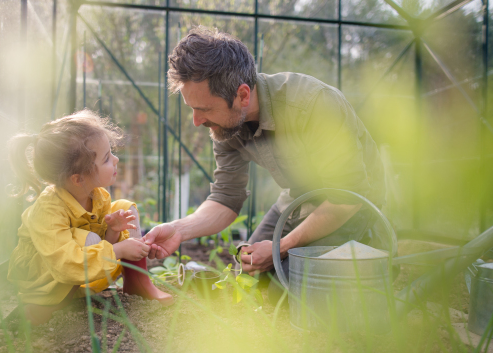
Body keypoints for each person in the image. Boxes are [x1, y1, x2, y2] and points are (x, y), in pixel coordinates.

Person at [144, 27, 386, 303]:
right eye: (192, 109)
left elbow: (346, 198)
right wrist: (178, 229)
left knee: (283, 292)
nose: (197, 121)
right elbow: (225, 198)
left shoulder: (314, 105)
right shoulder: (226, 124)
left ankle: (373, 254)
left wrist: (278, 248)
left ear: (243, 96)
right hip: (299, 197)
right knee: (248, 276)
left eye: (205, 109)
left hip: (352, 203)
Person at [7, 110, 173, 326]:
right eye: (106, 158)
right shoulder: (47, 211)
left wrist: (113, 230)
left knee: (125, 209)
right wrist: (119, 251)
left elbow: (103, 242)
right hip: (45, 280)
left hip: (82, 271)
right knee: (85, 239)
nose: (116, 159)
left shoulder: (96, 193)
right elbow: (65, 263)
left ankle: (137, 282)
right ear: (78, 178)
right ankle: (50, 304)